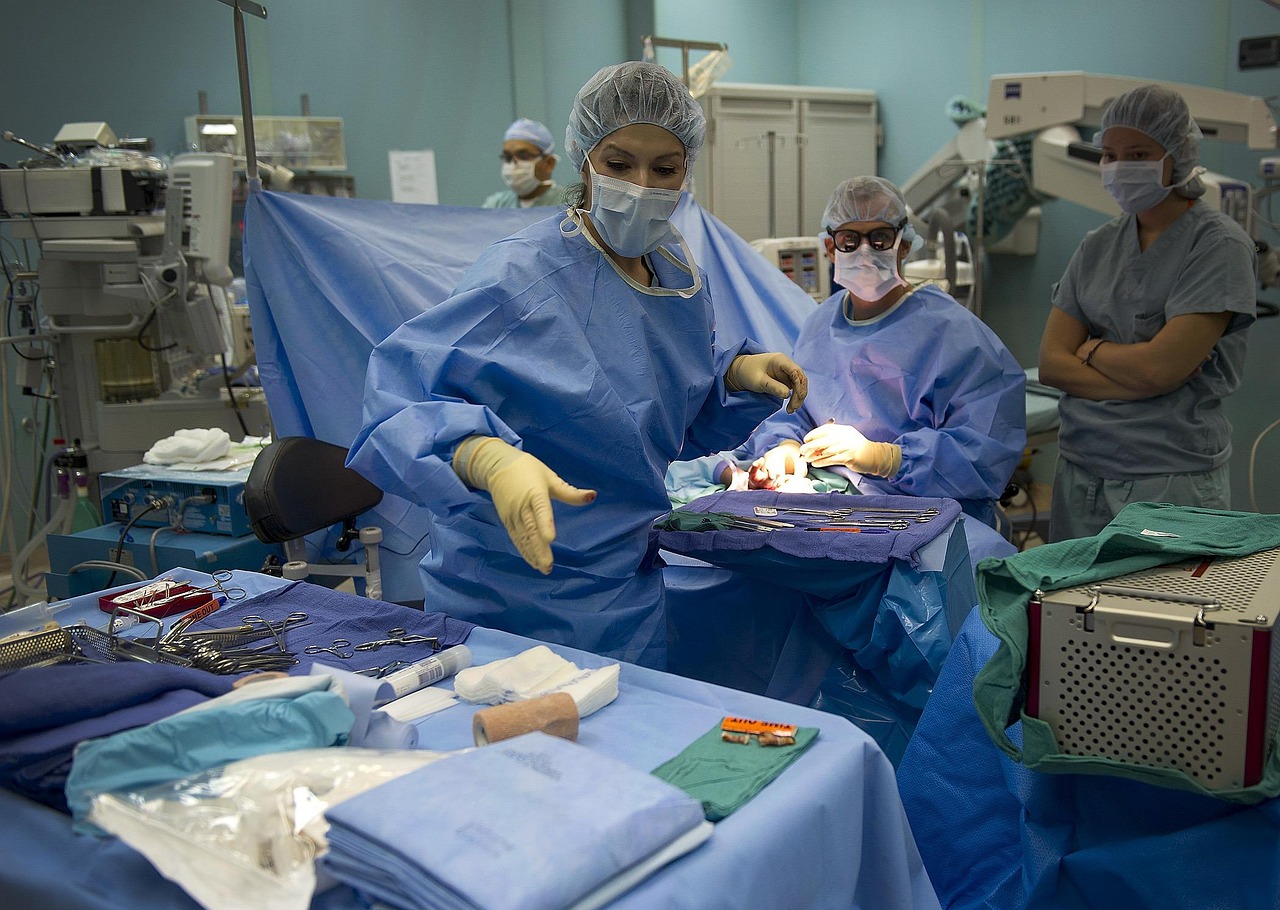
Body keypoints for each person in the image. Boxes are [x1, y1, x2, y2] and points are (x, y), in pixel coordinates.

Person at [349, 62, 807, 668]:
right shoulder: (524, 276)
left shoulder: (672, 271)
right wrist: (485, 457)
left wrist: (734, 376)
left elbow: (657, 416)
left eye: (664, 169)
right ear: (583, 160)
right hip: (512, 593)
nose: (642, 186)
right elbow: (399, 400)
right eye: (619, 165)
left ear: (686, 170)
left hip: (624, 583)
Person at [1037, 85, 1257, 542]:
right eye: (1110, 155)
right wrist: (1148, 374)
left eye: (1137, 153)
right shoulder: (1097, 246)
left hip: (1171, 476)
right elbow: (1053, 364)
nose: (1119, 168)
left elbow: (1160, 368)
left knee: (1159, 611)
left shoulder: (1218, 245)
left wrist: (1091, 348)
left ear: (1176, 156)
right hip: (1082, 468)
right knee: (1071, 612)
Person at [742, 176, 1026, 526]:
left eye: (880, 238)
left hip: (933, 519)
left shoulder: (954, 333)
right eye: (849, 239)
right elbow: (795, 410)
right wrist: (785, 447)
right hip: (835, 505)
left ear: (903, 245)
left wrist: (885, 458)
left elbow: (987, 452)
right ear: (830, 248)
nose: (864, 251)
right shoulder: (821, 324)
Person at [481, 118, 566, 208]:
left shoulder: (570, 204)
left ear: (549, 163)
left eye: (523, 156)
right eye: (507, 157)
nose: (513, 165)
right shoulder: (496, 205)